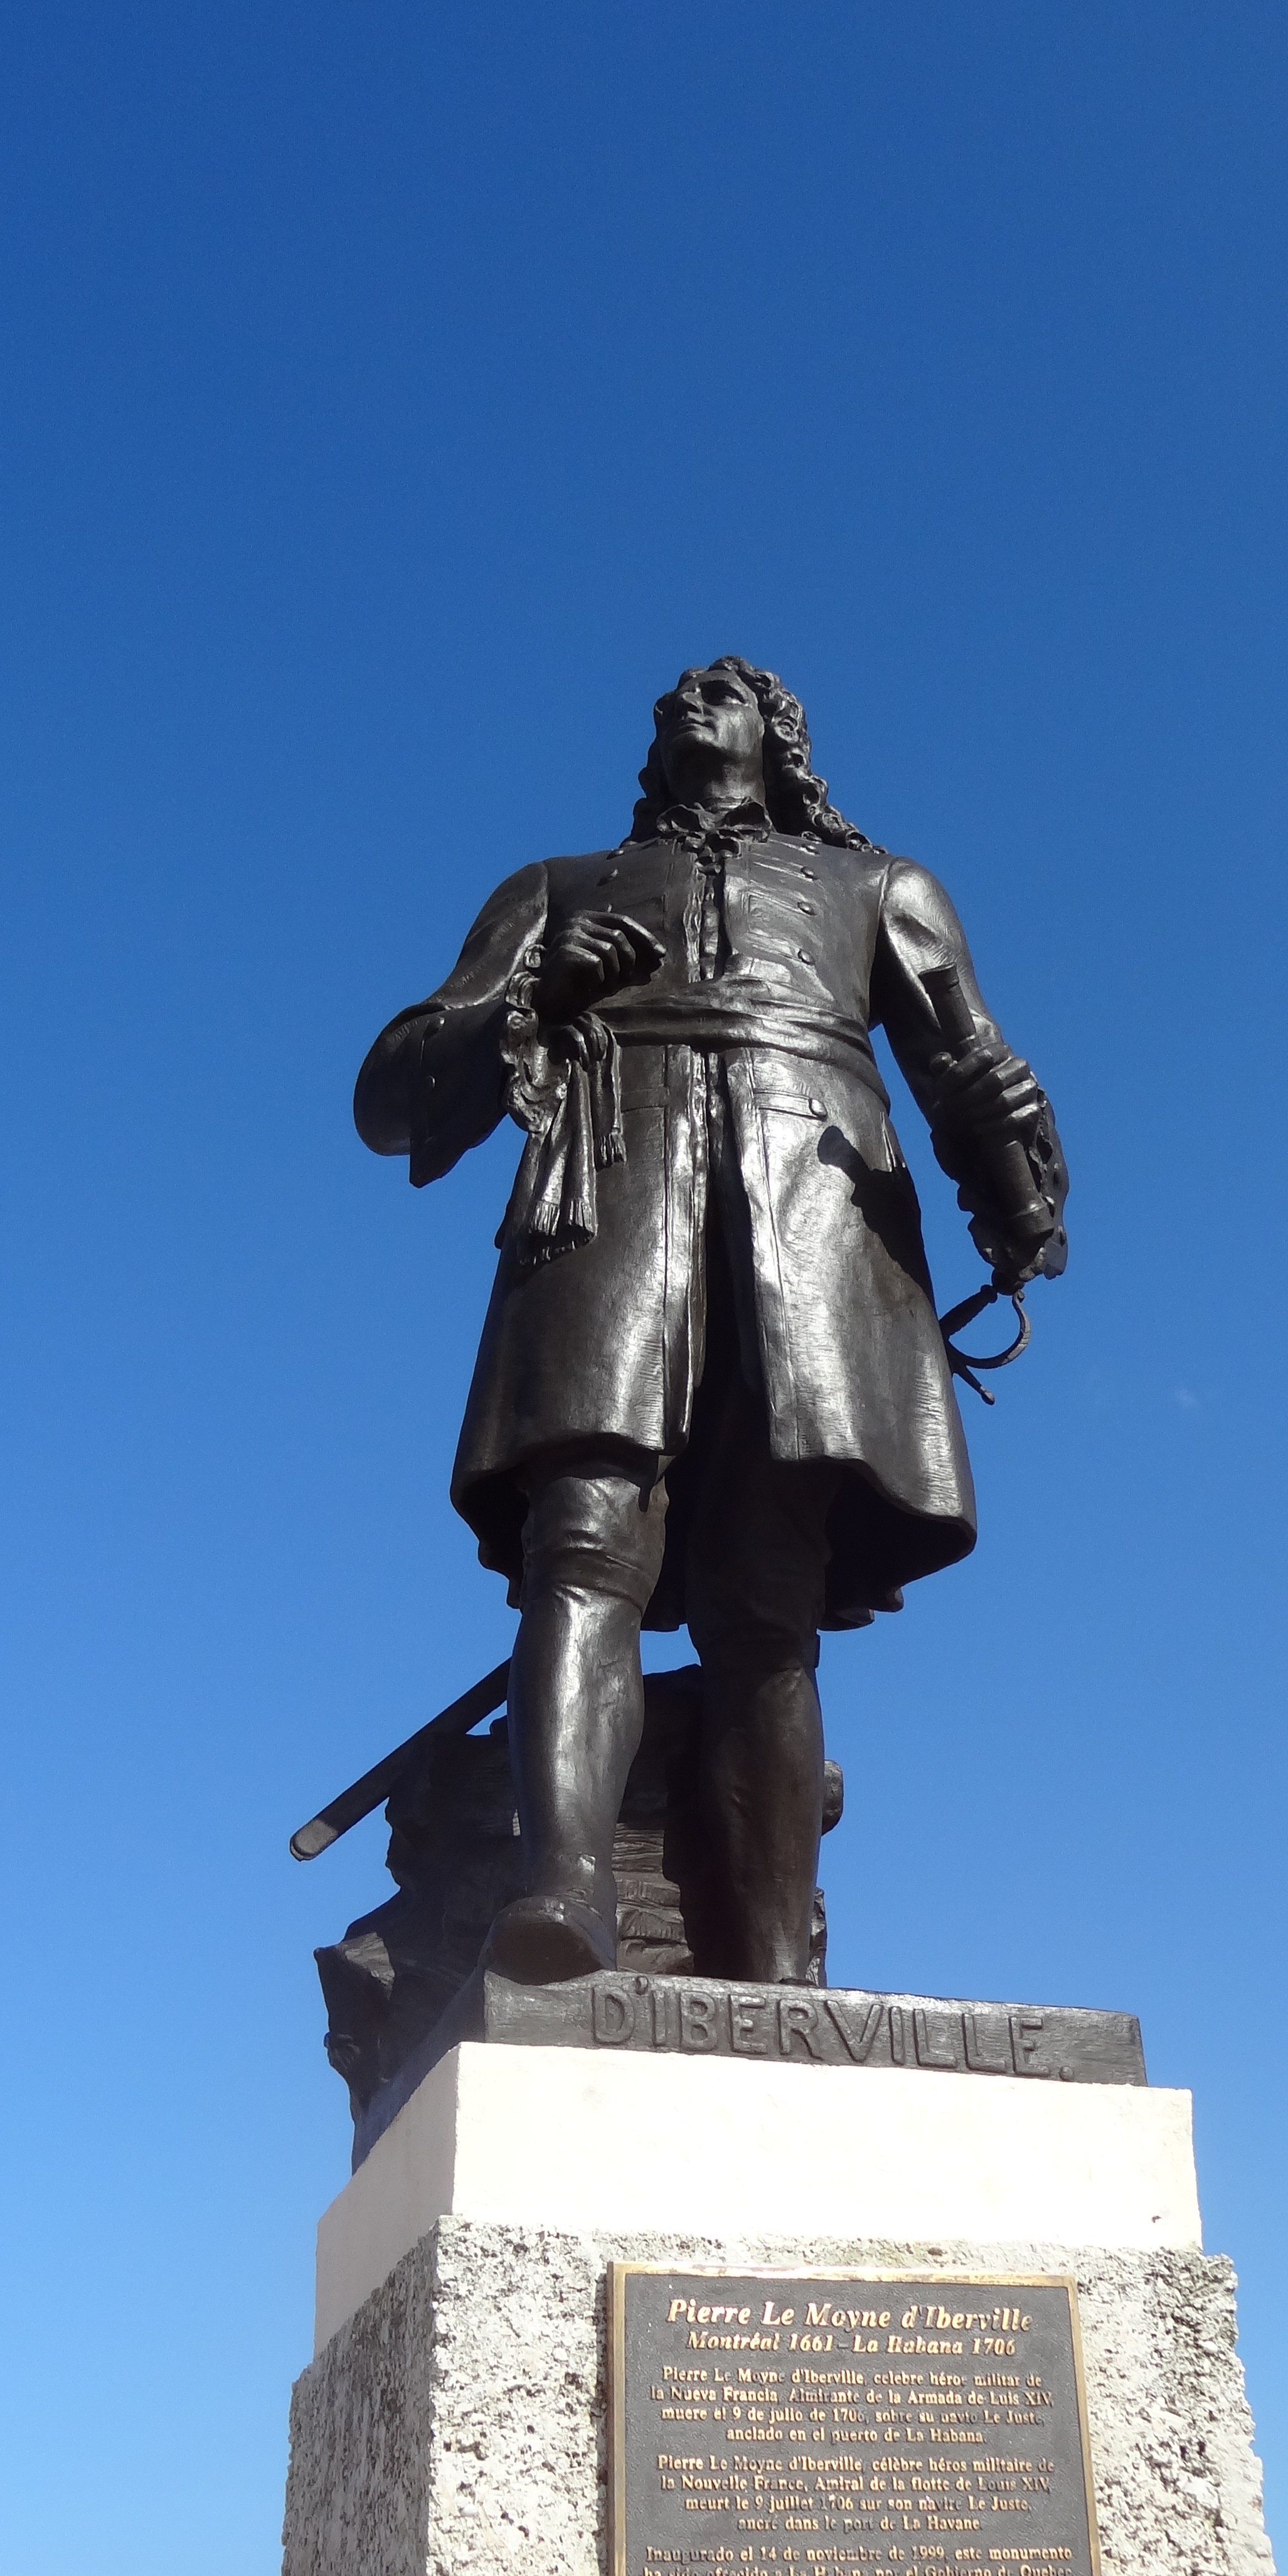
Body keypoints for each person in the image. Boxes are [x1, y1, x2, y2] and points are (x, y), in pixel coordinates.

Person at [354, 657, 1067, 1985]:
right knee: (583, 1539)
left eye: (724, 692)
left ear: (780, 739)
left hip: (815, 1222)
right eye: (676, 694)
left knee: (766, 1595)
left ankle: (775, 1965)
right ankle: (563, 1898)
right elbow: (392, 1100)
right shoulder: (559, 887)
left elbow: (967, 1063)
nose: (690, 701)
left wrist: (1021, 1203)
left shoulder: (879, 888)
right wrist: (532, 998)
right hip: (611, 1205)